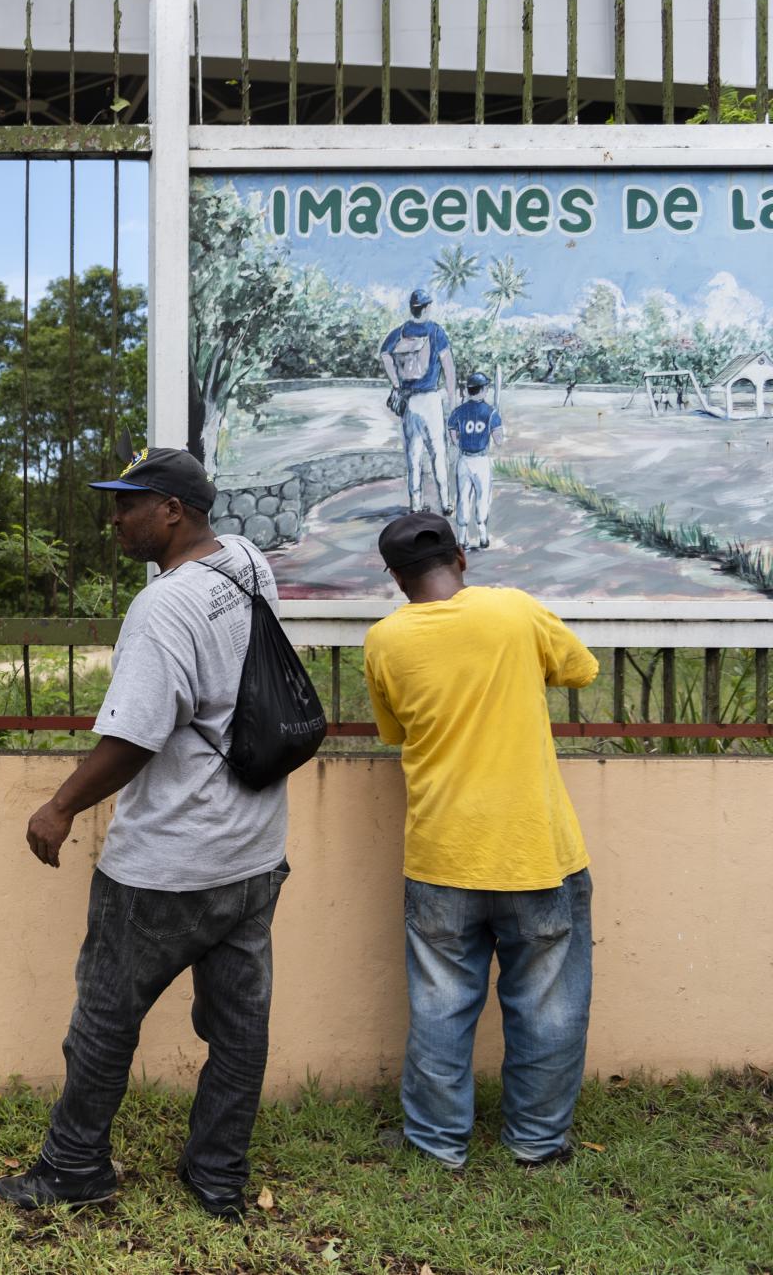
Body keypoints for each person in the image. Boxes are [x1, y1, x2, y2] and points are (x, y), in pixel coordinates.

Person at [0, 448, 291, 1222]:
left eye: (128, 503)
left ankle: (73, 1167)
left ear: (173, 511)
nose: (114, 518)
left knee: (104, 1016)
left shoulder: (162, 608)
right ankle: (218, 1175)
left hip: (168, 863)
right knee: (239, 1027)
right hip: (254, 852)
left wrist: (60, 805)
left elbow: (134, 736)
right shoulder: (248, 562)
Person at [363, 513, 599, 1171]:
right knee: (549, 1005)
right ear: (460, 558)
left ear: (394, 577)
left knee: (441, 1003)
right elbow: (581, 668)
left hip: (442, 853)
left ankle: (437, 1144)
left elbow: (394, 731)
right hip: (536, 851)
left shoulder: (384, 640)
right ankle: (536, 1143)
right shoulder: (515, 612)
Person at [378, 287, 457, 517]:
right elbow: (449, 368)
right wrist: (452, 400)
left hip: (410, 401)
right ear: (426, 307)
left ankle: (415, 503)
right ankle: (445, 502)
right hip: (431, 399)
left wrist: (396, 383)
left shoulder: (401, 332)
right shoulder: (435, 331)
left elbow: (385, 354)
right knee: (438, 452)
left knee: (413, 454)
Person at [446, 371, 503, 549]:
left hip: (464, 459)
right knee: (482, 497)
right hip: (481, 460)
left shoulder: (459, 411)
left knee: (462, 498)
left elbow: (453, 434)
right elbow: (499, 440)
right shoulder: (491, 412)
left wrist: (460, 444)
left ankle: (461, 539)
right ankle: (483, 537)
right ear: (484, 389)